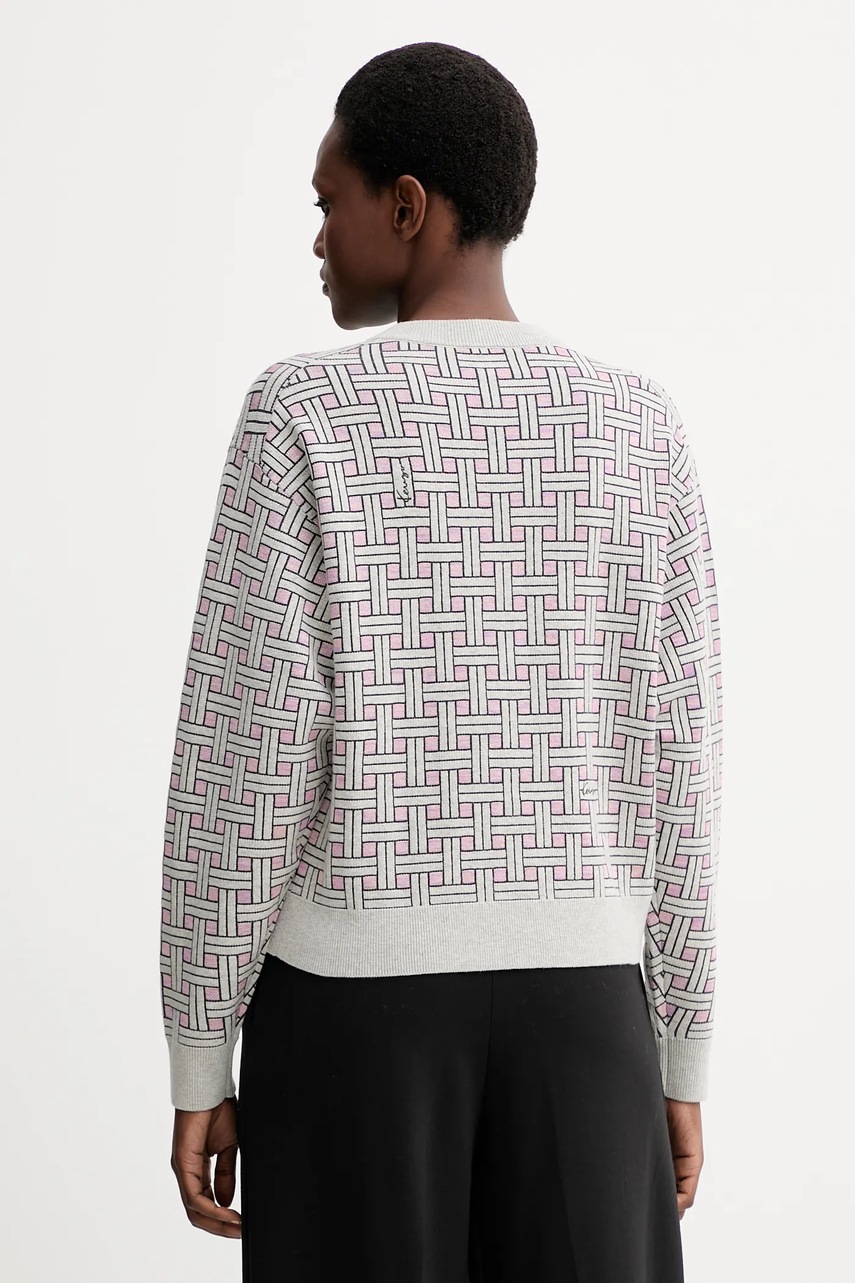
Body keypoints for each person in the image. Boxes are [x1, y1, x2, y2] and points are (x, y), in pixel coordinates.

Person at [161, 40, 723, 1283]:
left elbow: (242, 759)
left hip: (354, 1019)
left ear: (407, 206)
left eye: (330, 200)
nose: (317, 238)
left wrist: (200, 1050)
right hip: (589, 1016)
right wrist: (679, 1045)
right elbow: (675, 760)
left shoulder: (300, 414)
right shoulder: (640, 425)